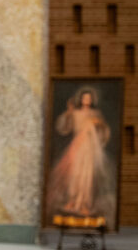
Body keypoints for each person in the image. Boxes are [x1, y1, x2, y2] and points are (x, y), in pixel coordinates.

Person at [47, 87, 115, 223]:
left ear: (92, 100)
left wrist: (98, 124)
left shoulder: (96, 113)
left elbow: (104, 131)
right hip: (77, 146)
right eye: (84, 98)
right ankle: (73, 201)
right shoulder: (75, 113)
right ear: (81, 99)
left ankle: (84, 204)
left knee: (87, 176)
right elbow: (64, 128)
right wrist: (69, 112)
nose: (87, 100)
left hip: (90, 148)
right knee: (75, 175)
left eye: (89, 98)